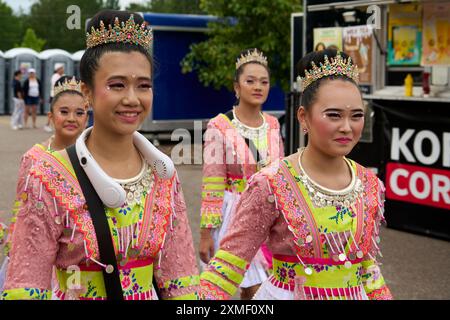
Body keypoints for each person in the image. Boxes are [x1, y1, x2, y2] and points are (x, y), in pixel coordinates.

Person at [1, 10, 199, 300]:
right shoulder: (48, 174)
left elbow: (181, 279)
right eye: (116, 85)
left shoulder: (163, 173)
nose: (132, 99)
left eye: (143, 85)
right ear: (88, 93)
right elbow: (25, 284)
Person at [199, 49, 393, 300]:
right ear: (304, 117)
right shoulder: (271, 185)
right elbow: (227, 269)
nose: (347, 127)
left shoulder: (369, 185)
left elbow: (366, 264)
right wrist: (207, 231)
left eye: (356, 116)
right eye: (333, 115)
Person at [199, 48, 284, 300]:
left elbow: (278, 174)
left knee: (259, 290)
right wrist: (205, 234)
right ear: (236, 87)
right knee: (237, 287)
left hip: (266, 213)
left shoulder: (273, 124)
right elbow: (212, 182)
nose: (258, 86)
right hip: (232, 214)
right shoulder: (219, 126)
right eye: (250, 81)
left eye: (264, 82)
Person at [0, 75, 88, 295]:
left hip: (80, 251)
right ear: (50, 117)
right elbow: (23, 207)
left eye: (79, 113)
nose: (72, 118)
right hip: (41, 246)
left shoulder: (93, 157)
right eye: (64, 111)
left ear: (87, 118)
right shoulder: (34, 157)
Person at [44, 63, 65, 133]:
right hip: (54, 96)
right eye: (61, 68)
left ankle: (59, 126)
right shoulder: (55, 76)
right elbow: (57, 86)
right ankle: (47, 125)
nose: (63, 69)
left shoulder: (63, 76)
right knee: (53, 111)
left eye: (63, 68)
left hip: (61, 96)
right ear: (58, 70)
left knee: (60, 111)